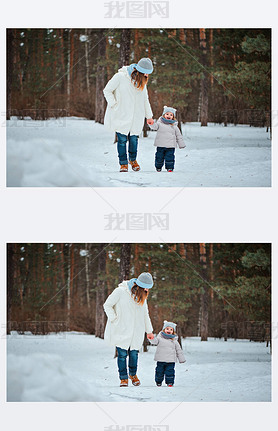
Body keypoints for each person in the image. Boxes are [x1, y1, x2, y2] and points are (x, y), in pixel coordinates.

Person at [103, 272, 154, 387]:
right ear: (139, 285)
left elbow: (145, 314)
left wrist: (149, 331)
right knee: (121, 355)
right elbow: (107, 305)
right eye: (146, 287)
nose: (147, 290)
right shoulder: (121, 291)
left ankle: (133, 374)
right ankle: (123, 378)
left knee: (134, 354)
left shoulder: (143, 295)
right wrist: (115, 319)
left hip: (137, 330)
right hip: (122, 328)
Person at [103, 58, 154, 172]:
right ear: (139, 70)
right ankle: (123, 163)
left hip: (136, 115)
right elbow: (107, 90)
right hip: (122, 113)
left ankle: (133, 160)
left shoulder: (142, 82)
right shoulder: (120, 77)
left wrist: (149, 116)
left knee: (134, 139)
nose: (147, 75)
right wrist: (114, 104)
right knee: (121, 140)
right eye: (145, 72)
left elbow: (145, 99)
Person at [148, 320, 185, 387]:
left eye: (171, 329)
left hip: (170, 360)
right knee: (159, 372)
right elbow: (154, 342)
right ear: (163, 330)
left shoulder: (174, 340)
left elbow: (178, 350)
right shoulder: (159, 338)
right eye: (167, 329)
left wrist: (181, 359)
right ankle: (158, 381)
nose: (169, 330)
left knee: (170, 372)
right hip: (161, 359)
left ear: (173, 331)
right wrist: (151, 338)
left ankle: (170, 382)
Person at [148, 106, 185, 172]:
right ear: (164, 115)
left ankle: (170, 168)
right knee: (159, 157)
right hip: (160, 145)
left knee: (170, 157)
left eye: (171, 115)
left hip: (170, 146)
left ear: (173, 117)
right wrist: (151, 123)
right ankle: (158, 167)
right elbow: (154, 127)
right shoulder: (159, 124)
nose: (169, 116)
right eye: (167, 114)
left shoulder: (174, 126)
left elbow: (178, 136)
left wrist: (181, 144)